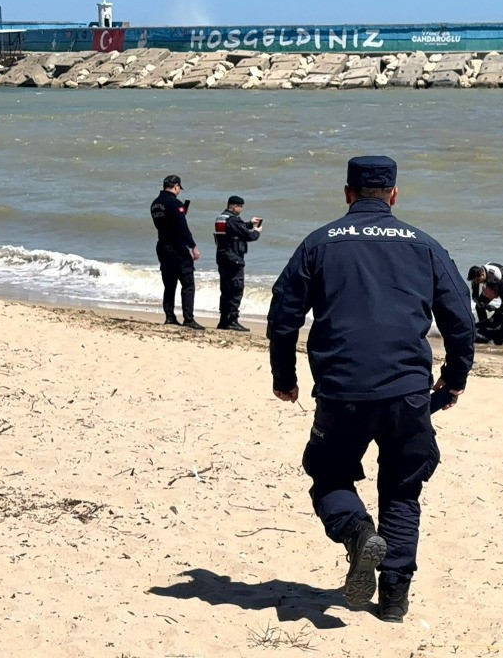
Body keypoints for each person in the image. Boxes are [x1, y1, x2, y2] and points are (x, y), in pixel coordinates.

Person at [267, 156, 474, 623]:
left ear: (347, 193)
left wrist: (285, 377)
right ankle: (395, 600)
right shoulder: (423, 244)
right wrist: (456, 378)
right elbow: (461, 320)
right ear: (394, 195)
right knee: (402, 491)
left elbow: (283, 315)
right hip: (407, 390)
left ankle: (358, 533)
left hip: (341, 389)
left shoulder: (319, 242)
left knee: (328, 474)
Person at [150, 174, 203, 329]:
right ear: (176, 186)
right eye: (179, 188)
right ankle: (188, 319)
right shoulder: (175, 203)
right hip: (177, 248)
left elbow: (165, 223)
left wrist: (179, 214)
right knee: (188, 283)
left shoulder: (155, 204)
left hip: (162, 246)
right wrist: (193, 246)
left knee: (169, 284)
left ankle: (170, 317)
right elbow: (182, 228)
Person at [213, 195, 263, 331]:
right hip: (233, 258)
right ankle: (232, 320)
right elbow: (248, 236)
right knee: (236, 289)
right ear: (235, 206)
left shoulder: (221, 217)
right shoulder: (232, 219)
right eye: (240, 207)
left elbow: (234, 229)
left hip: (222, 257)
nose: (241, 210)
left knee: (225, 289)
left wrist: (249, 223)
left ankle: (224, 320)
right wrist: (257, 232)